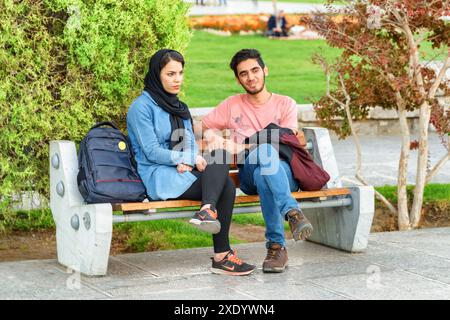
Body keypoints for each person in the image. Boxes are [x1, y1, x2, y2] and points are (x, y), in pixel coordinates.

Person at [127, 49, 255, 276]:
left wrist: (189, 159)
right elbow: (151, 152)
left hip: (181, 171)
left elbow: (189, 144)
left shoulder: (180, 107)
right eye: (170, 74)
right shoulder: (141, 108)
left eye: (180, 73)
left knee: (220, 156)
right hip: (158, 176)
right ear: (157, 75)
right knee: (225, 185)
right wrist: (185, 159)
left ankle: (207, 210)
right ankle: (221, 255)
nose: (177, 79)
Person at [195, 49, 314, 273]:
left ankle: (277, 246)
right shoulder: (233, 104)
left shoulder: (285, 104)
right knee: (261, 168)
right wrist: (210, 134)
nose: (251, 77)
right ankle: (292, 215)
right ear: (238, 79)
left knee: (266, 171)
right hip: (247, 173)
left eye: (255, 70)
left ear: (265, 70)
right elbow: (199, 127)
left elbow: (284, 138)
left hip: (284, 172)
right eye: (243, 74)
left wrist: (242, 147)